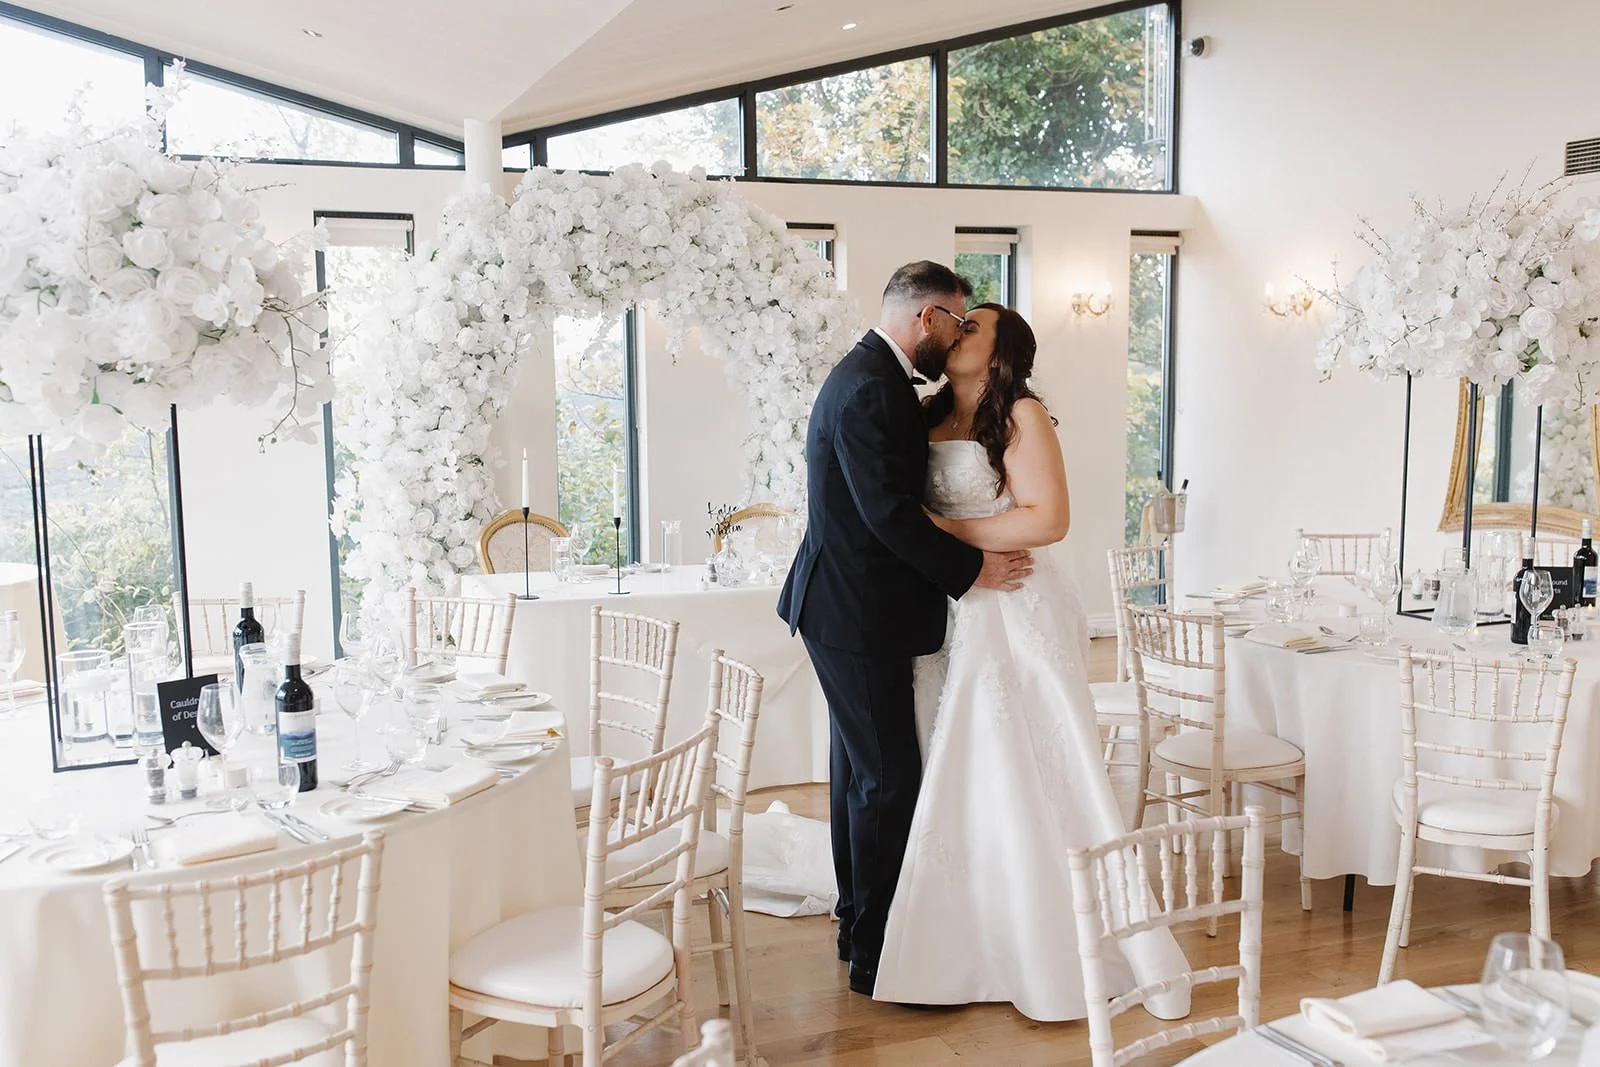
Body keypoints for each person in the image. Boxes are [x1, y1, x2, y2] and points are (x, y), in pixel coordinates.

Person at [871, 303, 1193, 1021]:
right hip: (953, 603)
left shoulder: (1020, 414)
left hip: (1015, 603)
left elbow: (1048, 519)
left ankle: (1046, 939)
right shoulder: (927, 414)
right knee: (956, 759)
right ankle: (967, 930)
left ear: (1000, 352)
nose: (957, 330)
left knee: (1027, 759)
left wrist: (947, 529)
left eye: (973, 327)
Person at [777, 262, 1033, 998]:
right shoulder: (871, 387)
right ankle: (876, 951)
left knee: (860, 776)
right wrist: (972, 570)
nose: (955, 338)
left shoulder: (875, 377)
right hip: (857, 611)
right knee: (888, 781)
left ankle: (857, 925)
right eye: (956, 323)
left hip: (846, 606)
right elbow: (887, 514)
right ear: (929, 318)